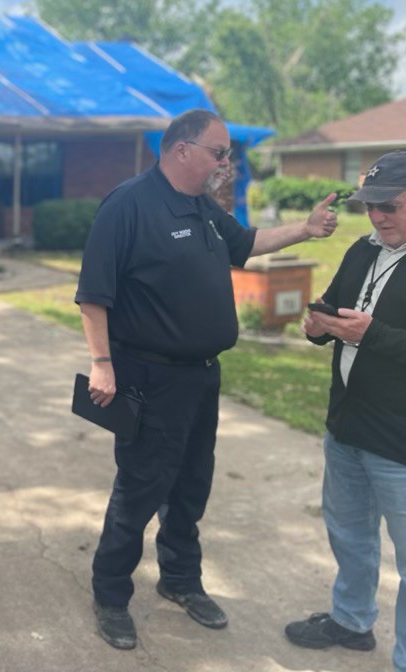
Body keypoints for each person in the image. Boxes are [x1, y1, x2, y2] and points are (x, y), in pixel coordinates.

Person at [75, 109, 339, 650]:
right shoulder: (128, 205)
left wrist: (307, 229)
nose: (225, 163)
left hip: (202, 378)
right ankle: (110, 594)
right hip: (149, 378)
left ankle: (179, 580)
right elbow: (93, 295)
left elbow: (247, 243)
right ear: (182, 150)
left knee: (191, 486)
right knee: (140, 490)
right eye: (219, 153)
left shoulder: (202, 208)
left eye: (227, 156)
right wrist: (102, 364)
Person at [284, 151, 406, 672]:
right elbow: (336, 304)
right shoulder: (363, 251)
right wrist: (318, 326)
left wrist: (373, 336)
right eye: (369, 207)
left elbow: (378, 335)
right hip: (346, 428)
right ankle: (351, 620)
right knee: (350, 535)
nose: (378, 217)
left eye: (388, 206)